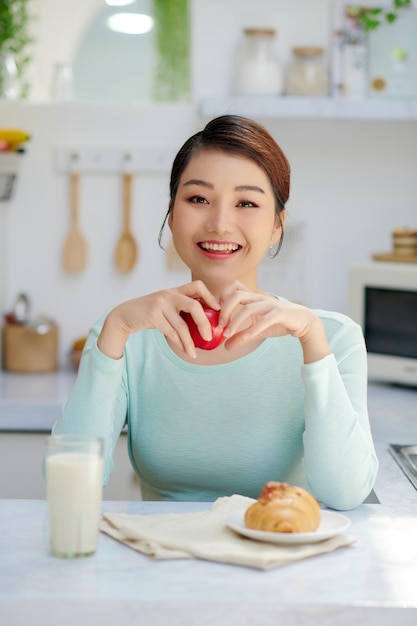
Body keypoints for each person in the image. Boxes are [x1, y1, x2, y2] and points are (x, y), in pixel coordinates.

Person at [52, 114, 378, 509]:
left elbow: (345, 494)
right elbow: (65, 486)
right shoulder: (127, 333)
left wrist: (312, 342)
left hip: (282, 560)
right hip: (160, 560)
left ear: (277, 225)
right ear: (171, 216)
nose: (220, 224)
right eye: (198, 199)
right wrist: (117, 328)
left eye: (246, 203)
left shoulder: (331, 336)